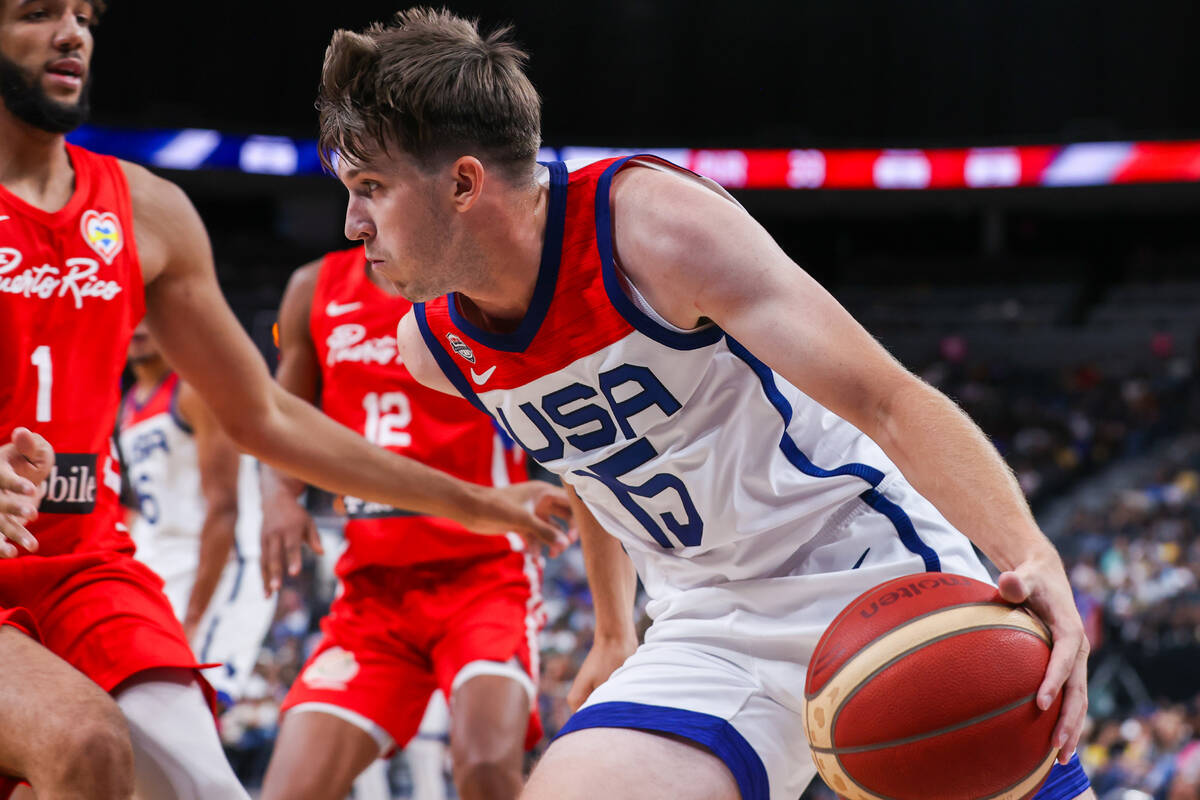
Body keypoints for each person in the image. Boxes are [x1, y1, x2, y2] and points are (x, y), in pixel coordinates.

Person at [316, 9, 1096, 800]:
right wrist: (615, 629)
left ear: (462, 182)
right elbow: (584, 465)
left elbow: (885, 397)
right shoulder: (437, 347)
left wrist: (1030, 554)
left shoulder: (651, 227)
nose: (352, 224)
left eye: (370, 189)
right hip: (707, 624)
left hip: (863, 568)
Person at [0, 3, 568, 799]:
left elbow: (264, 416)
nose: (72, 35)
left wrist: (483, 505)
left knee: (208, 788)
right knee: (84, 742)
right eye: (35, 14)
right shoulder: (315, 291)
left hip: (85, 568)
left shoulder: (146, 210)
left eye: (83, 16)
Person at [258, 246, 546, 800]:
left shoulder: (486, 276)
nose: (358, 215)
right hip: (374, 592)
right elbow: (280, 418)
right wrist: (278, 495)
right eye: (355, 188)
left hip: (484, 575)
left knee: (485, 766)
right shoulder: (313, 287)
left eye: (377, 187)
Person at [117, 321, 276, 707]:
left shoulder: (196, 389)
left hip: (224, 569)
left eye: (149, 314)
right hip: (162, 567)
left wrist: (193, 617)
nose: (138, 325)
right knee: (143, 710)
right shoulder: (129, 403)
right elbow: (142, 505)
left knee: (196, 706)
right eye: (131, 313)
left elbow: (224, 508)